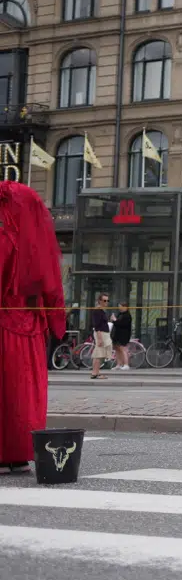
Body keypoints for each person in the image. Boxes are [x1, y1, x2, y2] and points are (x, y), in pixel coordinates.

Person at [0, 182, 66, 474]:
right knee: (27, 393)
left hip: (4, 326)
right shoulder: (38, 247)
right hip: (32, 328)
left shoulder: (5, 239)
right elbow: (54, 291)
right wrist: (55, 323)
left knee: (6, 392)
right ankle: (19, 454)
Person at [88, 292, 112, 380]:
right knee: (99, 353)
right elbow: (97, 326)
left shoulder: (101, 310)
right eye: (104, 300)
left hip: (103, 333)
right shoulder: (97, 310)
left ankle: (96, 372)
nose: (106, 302)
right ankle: (94, 373)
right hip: (101, 333)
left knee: (100, 354)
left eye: (107, 300)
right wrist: (99, 338)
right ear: (99, 301)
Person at [111, 302, 133, 371]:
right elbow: (117, 323)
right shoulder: (120, 314)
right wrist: (114, 320)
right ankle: (118, 364)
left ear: (125, 307)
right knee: (117, 349)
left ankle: (126, 364)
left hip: (124, 335)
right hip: (117, 334)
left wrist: (115, 320)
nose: (119, 308)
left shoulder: (127, 315)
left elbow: (122, 324)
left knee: (123, 349)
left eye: (120, 306)